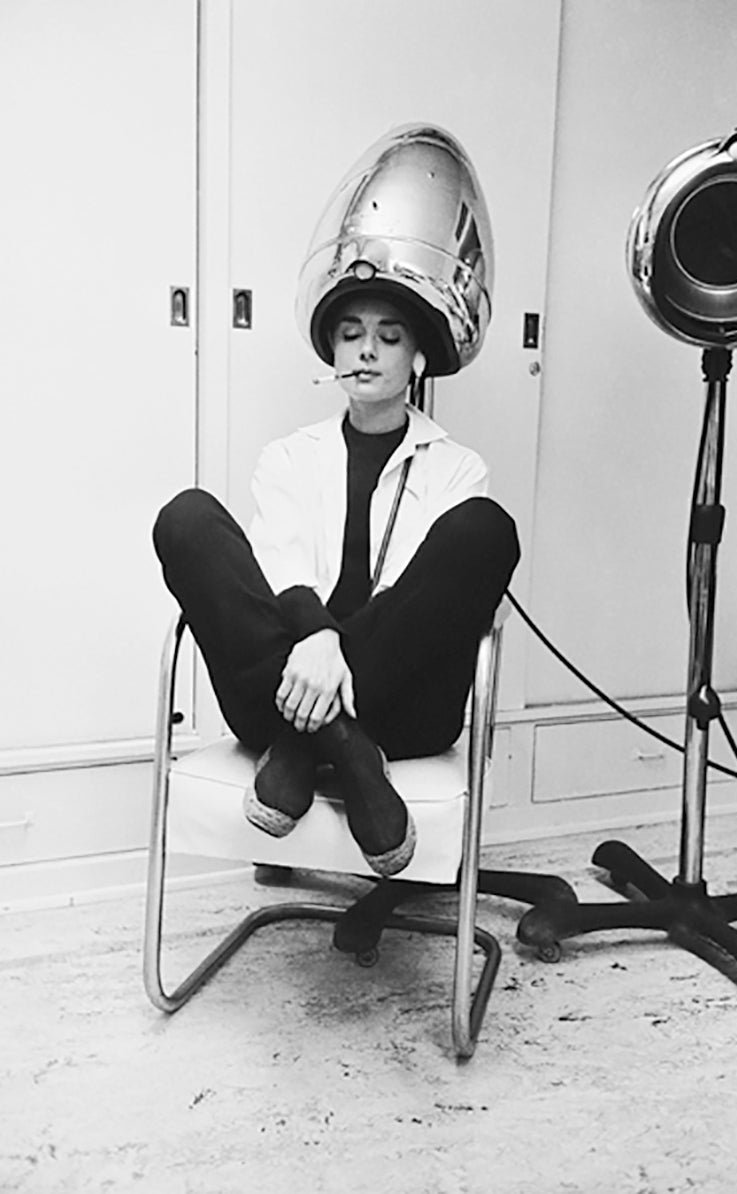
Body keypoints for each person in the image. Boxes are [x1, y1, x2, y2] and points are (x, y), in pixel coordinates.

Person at [152, 283, 520, 888]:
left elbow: (416, 607)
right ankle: (346, 747)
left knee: (485, 529)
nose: (367, 351)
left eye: (389, 337)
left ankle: (304, 745)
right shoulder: (288, 457)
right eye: (351, 335)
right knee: (186, 518)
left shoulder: (457, 469)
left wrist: (332, 655)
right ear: (333, 354)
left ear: (417, 358)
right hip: (281, 690)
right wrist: (318, 639)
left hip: (406, 710)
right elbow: (282, 566)